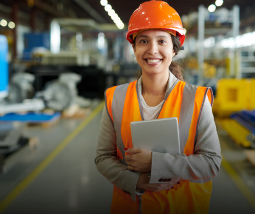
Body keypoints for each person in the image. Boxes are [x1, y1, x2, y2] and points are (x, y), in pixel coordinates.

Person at [95, 1, 221, 213]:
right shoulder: (115, 98)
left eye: (161, 41)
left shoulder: (197, 99)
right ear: (134, 48)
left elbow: (211, 163)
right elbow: (103, 158)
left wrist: (156, 162)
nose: (152, 50)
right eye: (143, 41)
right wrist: (135, 181)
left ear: (174, 49)